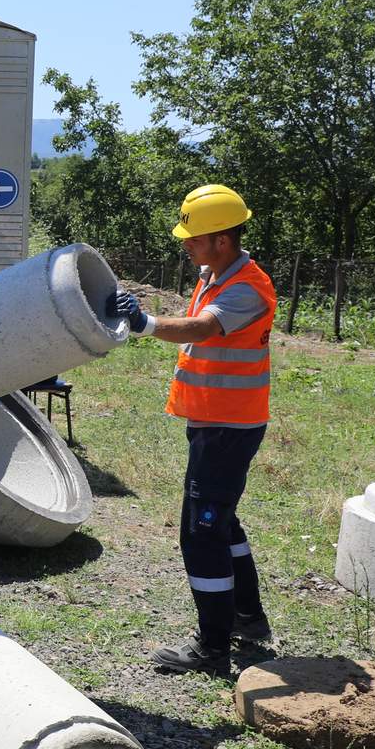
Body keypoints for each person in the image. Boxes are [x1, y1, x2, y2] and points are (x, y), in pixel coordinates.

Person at [109, 183, 277, 676]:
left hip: (229, 425)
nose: (186, 244)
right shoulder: (217, 271)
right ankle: (248, 619)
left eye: (194, 237)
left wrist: (144, 324)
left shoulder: (246, 286)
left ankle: (213, 649)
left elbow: (203, 328)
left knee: (201, 534)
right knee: (221, 522)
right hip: (215, 421)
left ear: (222, 238)